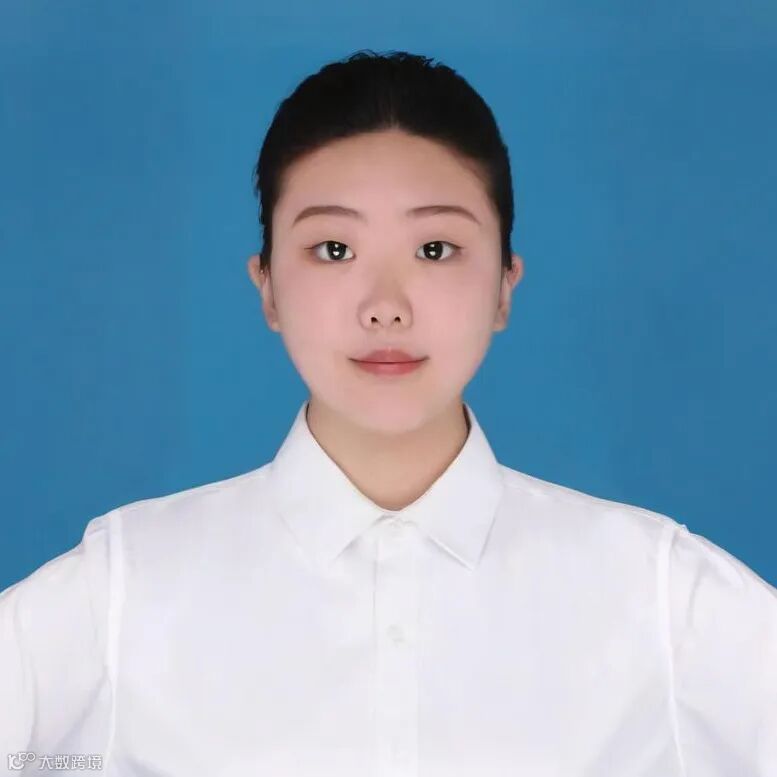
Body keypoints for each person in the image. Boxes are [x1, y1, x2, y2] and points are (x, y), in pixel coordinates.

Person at [1, 49, 775, 777]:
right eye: (333, 249)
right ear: (266, 287)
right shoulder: (123, 593)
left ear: (504, 285)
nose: (384, 306)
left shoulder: (659, 598)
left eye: (434, 249)